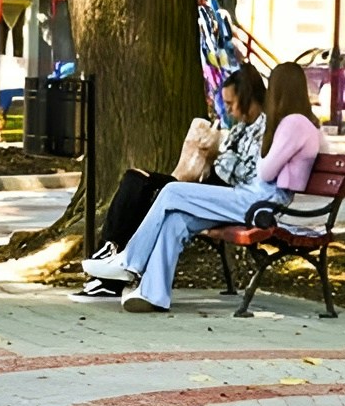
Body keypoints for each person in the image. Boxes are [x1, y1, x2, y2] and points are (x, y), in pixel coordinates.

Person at [91, 61, 321, 312]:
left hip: (259, 202)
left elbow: (265, 171)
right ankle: (153, 293)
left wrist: (257, 156)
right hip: (253, 197)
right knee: (176, 220)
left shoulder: (294, 123)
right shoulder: (296, 123)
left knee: (171, 191)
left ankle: (130, 262)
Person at [82, 69, 266, 296]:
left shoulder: (264, 130)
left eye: (230, 103)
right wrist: (217, 154)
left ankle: (122, 260)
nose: (227, 109)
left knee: (162, 191)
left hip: (225, 196)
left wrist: (217, 154)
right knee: (138, 180)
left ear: (246, 97)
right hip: (209, 188)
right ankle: (141, 285)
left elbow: (241, 174)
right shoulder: (241, 129)